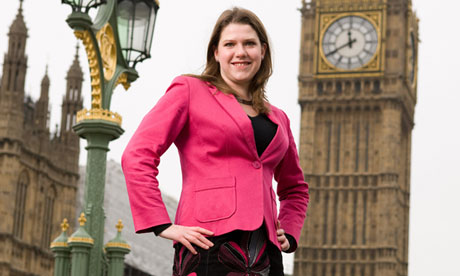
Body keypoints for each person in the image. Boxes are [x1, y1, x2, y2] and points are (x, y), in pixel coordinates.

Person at [121, 7, 309, 276]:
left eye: (249, 44)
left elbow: (296, 188)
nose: (240, 52)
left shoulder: (279, 118)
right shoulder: (189, 91)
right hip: (208, 243)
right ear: (216, 52)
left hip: (265, 253)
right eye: (230, 44)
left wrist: (289, 233)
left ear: (263, 51)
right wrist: (161, 224)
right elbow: (138, 155)